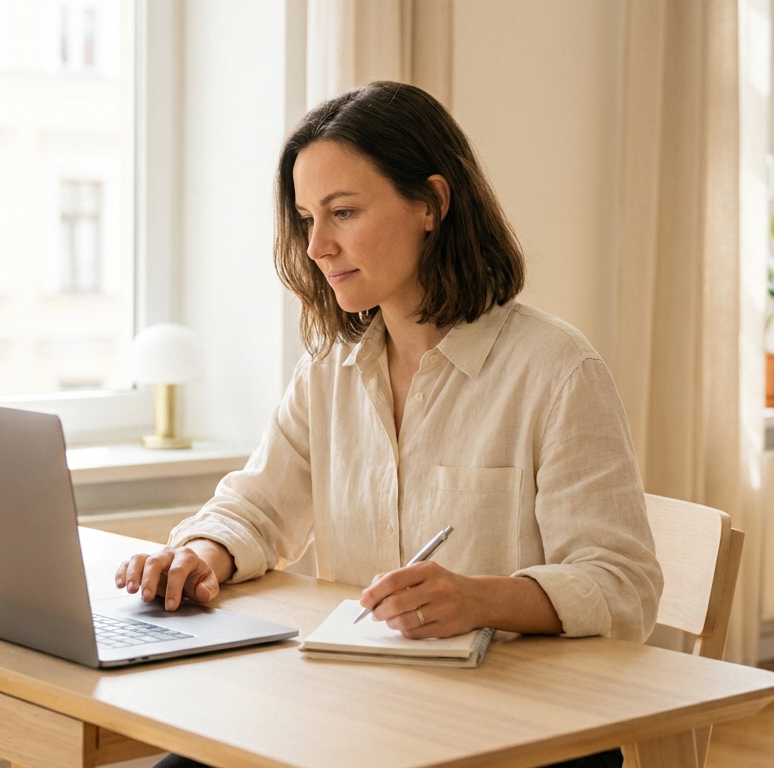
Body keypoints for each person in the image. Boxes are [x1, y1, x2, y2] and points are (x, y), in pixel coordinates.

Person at [115, 81, 662, 768]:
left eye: (342, 212)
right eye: (307, 217)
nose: (318, 246)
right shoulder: (330, 369)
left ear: (432, 203)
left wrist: (480, 599)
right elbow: (256, 509)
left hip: (522, 735)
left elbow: (623, 585)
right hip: (361, 712)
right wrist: (201, 555)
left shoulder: (557, 371)